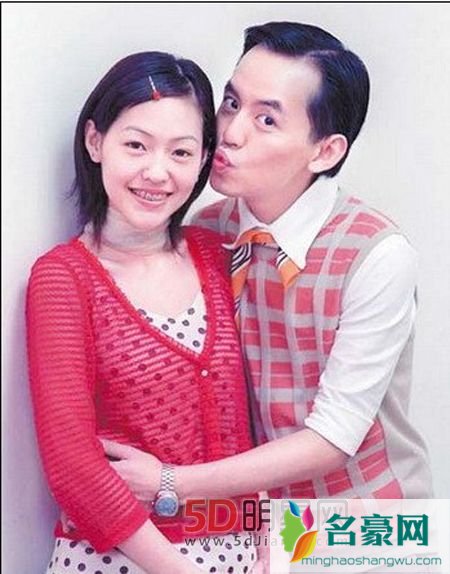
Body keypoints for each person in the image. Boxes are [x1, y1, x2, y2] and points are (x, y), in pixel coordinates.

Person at [101, 21, 433, 508]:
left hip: (367, 516)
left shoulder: (376, 255)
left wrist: (170, 482)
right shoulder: (208, 229)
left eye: (267, 120)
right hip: (250, 516)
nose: (230, 133)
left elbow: (333, 438)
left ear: (325, 151)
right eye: (231, 103)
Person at [26, 51, 262, 574]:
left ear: (204, 159)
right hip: (121, 560)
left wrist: (268, 539)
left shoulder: (219, 254)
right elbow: (73, 468)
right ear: (95, 142)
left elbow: (259, 421)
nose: (157, 172)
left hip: (243, 555)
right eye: (136, 145)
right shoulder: (63, 278)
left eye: (181, 152)